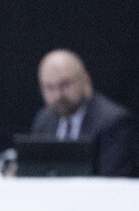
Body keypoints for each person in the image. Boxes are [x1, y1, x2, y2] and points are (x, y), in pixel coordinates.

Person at [30, 49, 136, 178]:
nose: (57, 95)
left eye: (64, 85)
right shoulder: (44, 120)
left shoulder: (113, 122)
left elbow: (112, 180)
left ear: (85, 81)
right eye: (49, 87)